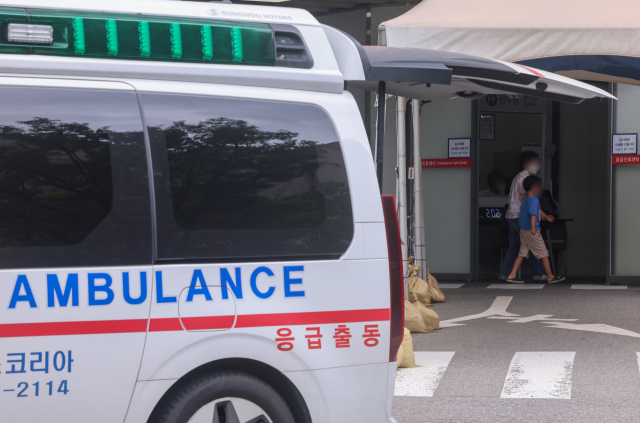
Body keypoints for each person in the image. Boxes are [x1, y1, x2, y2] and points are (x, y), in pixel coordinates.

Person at [499, 151, 552, 282]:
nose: (537, 165)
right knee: (534, 243)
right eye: (536, 162)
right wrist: (544, 216)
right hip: (520, 217)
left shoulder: (518, 177)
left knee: (516, 245)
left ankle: (506, 273)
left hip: (511, 215)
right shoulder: (525, 179)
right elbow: (527, 201)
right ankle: (538, 273)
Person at [506, 176, 564, 284]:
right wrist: (533, 227)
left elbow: (533, 213)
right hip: (532, 231)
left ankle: (512, 275)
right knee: (544, 253)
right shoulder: (534, 200)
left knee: (522, 253)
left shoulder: (526, 200)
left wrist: (545, 217)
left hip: (524, 231)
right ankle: (550, 276)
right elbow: (533, 214)